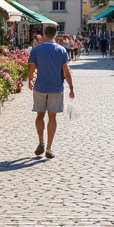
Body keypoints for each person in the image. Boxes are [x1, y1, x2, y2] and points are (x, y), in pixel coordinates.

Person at [27, 24, 75, 158]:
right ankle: (48, 148)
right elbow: (66, 71)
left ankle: (41, 141)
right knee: (52, 117)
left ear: (43, 34)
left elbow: (31, 67)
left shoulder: (36, 49)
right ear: (55, 35)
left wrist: (30, 80)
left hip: (40, 87)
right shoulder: (61, 50)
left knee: (39, 115)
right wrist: (71, 88)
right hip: (56, 87)